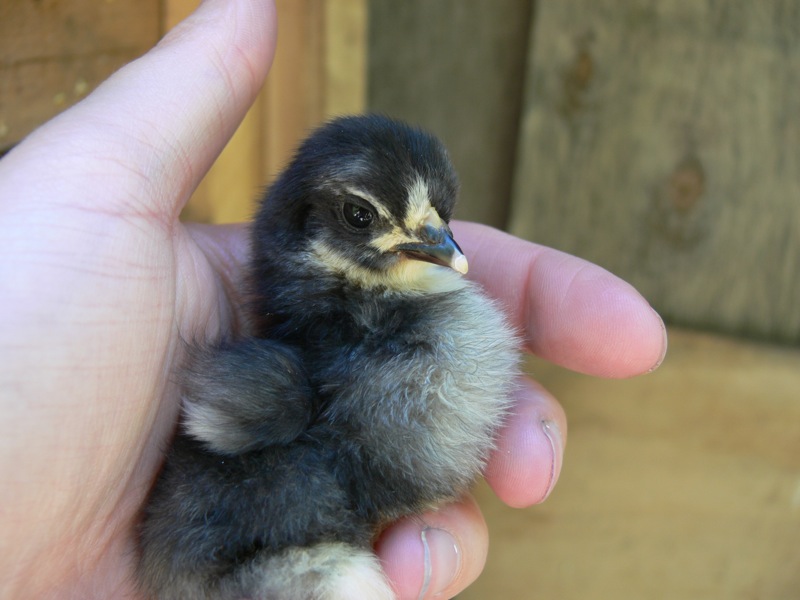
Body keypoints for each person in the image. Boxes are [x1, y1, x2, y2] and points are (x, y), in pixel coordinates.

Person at [0, 1, 666, 598]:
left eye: (437, 217)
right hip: (232, 560)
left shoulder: (342, 361)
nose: (434, 239)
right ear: (305, 228)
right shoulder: (284, 385)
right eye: (362, 216)